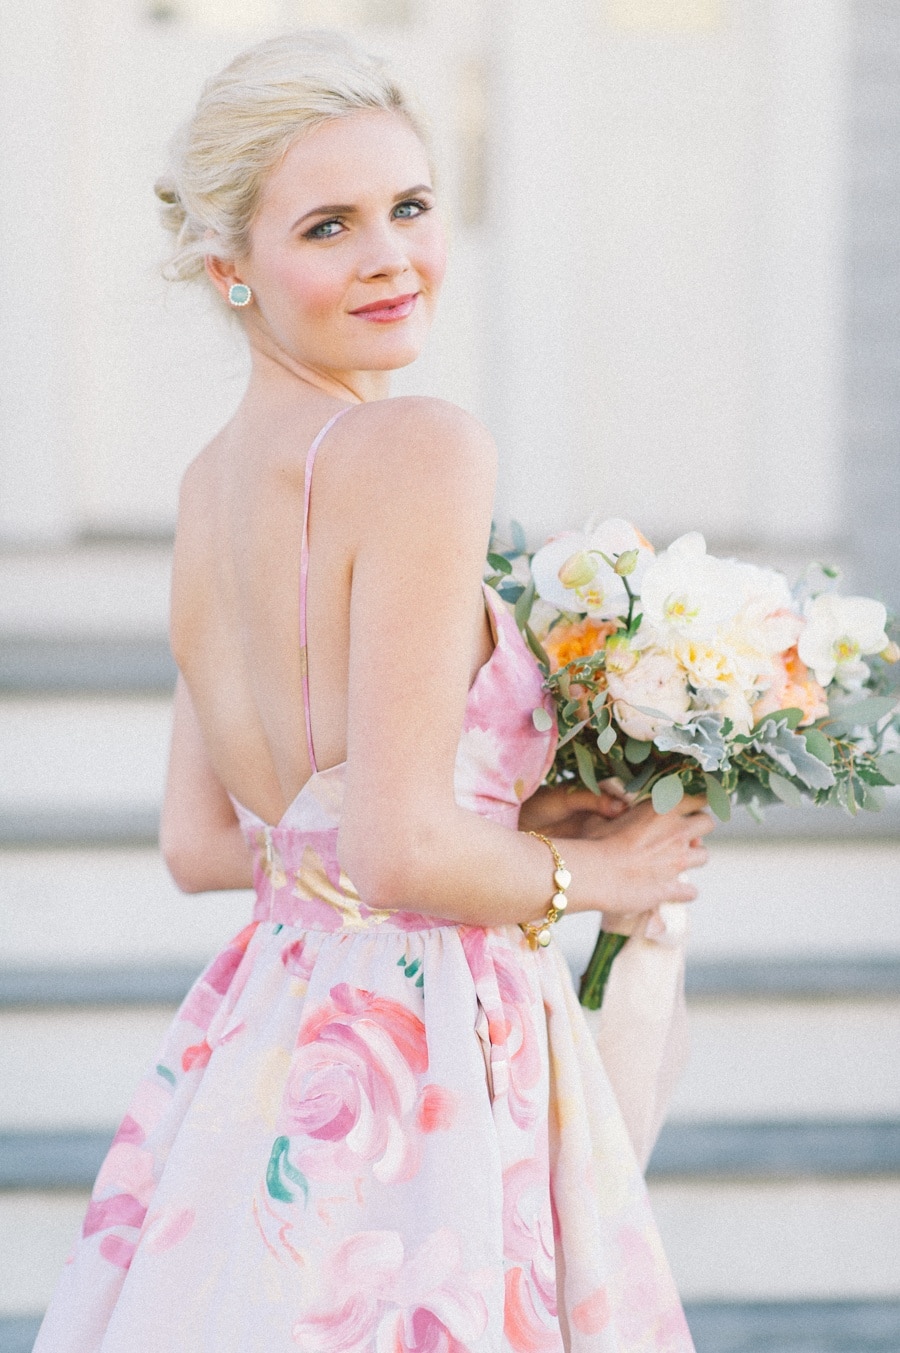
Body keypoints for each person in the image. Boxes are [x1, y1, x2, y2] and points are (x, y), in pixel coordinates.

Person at [35, 29, 713, 1352]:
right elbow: (396, 842)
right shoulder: (418, 448)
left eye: (410, 206)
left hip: (265, 1039)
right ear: (229, 266)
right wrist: (605, 882)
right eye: (330, 226)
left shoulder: (200, 490)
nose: (392, 254)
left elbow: (206, 845)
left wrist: (510, 837)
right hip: (421, 1058)